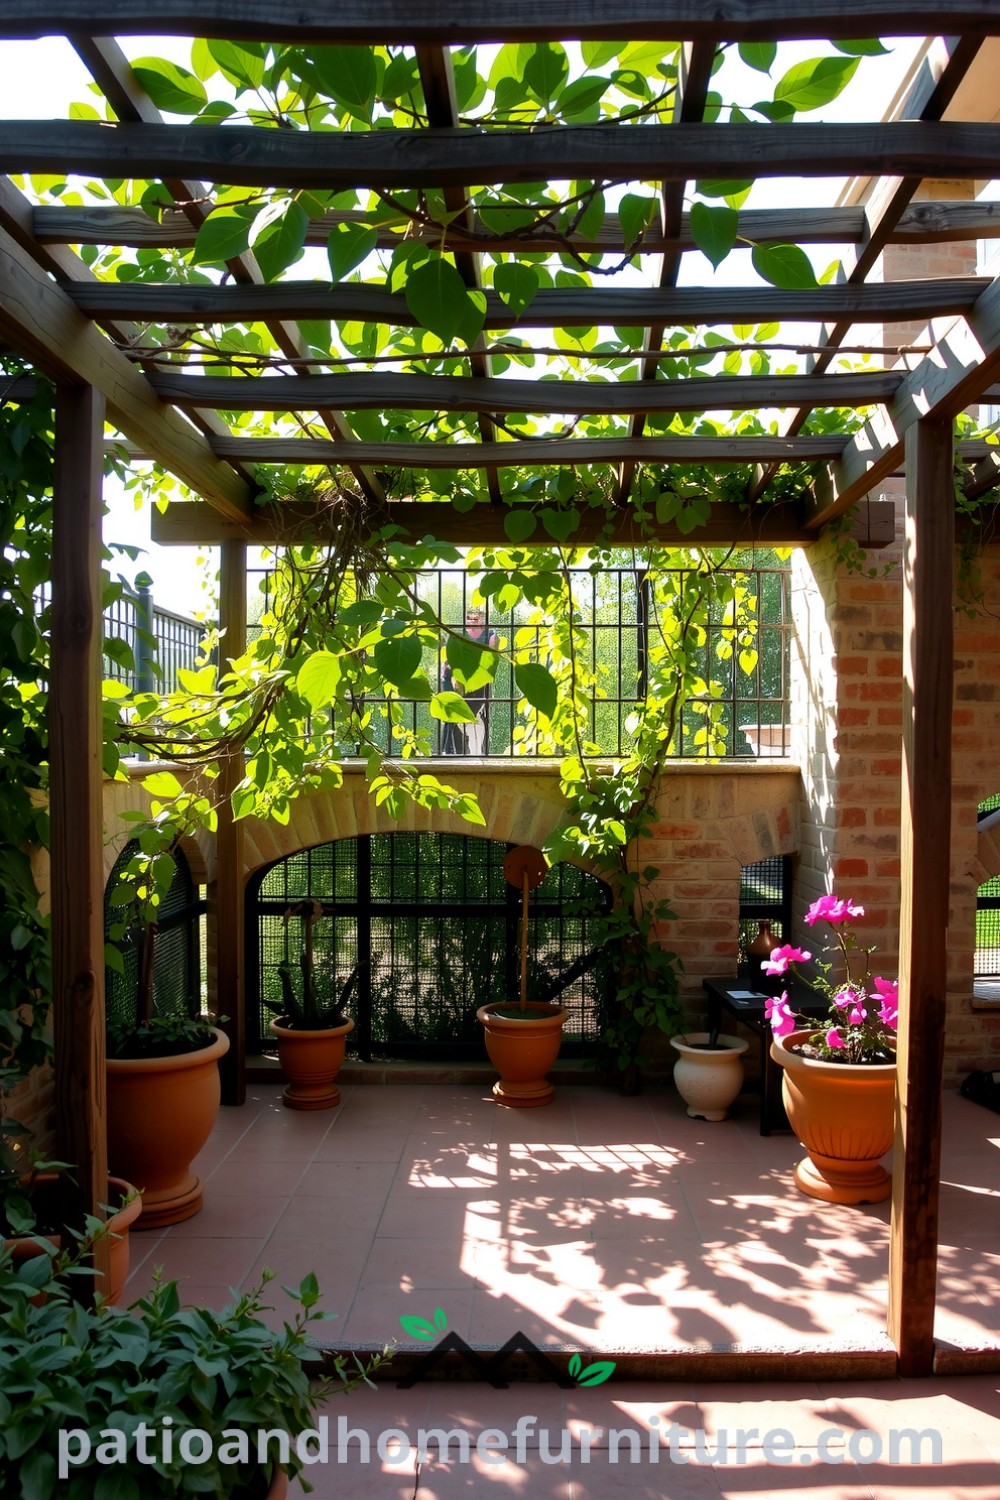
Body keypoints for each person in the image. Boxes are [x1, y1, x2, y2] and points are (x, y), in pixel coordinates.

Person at [440, 605, 498, 755]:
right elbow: (445, 663)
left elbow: (491, 663)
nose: (473, 619)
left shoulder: (491, 636)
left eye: (477, 615)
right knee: (452, 719)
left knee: (473, 719)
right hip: (455, 683)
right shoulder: (456, 636)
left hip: (478, 686)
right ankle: (450, 753)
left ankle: (475, 754)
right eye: (469, 616)